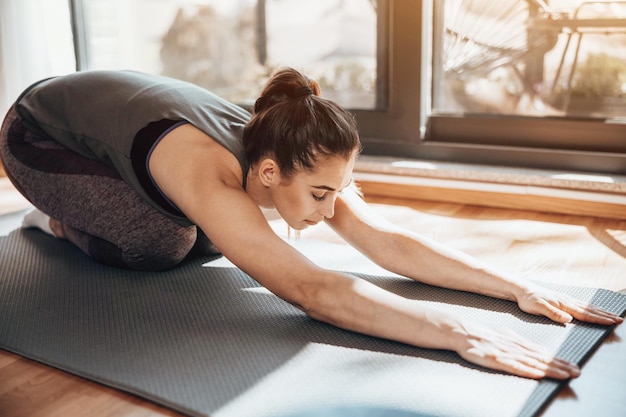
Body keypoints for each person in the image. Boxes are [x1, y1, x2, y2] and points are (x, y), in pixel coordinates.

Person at [0, 68, 622, 380]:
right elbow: (312, 289)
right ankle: (50, 219)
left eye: (338, 190)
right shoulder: (211, 171)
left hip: (121, 133)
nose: (331, 210)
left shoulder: (294, 148)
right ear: (268, 174)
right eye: (322, 195)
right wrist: (455, 331)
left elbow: (383, 240)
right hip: (37, 136)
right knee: (164, 242)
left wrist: (510, 286)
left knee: (221, 237)